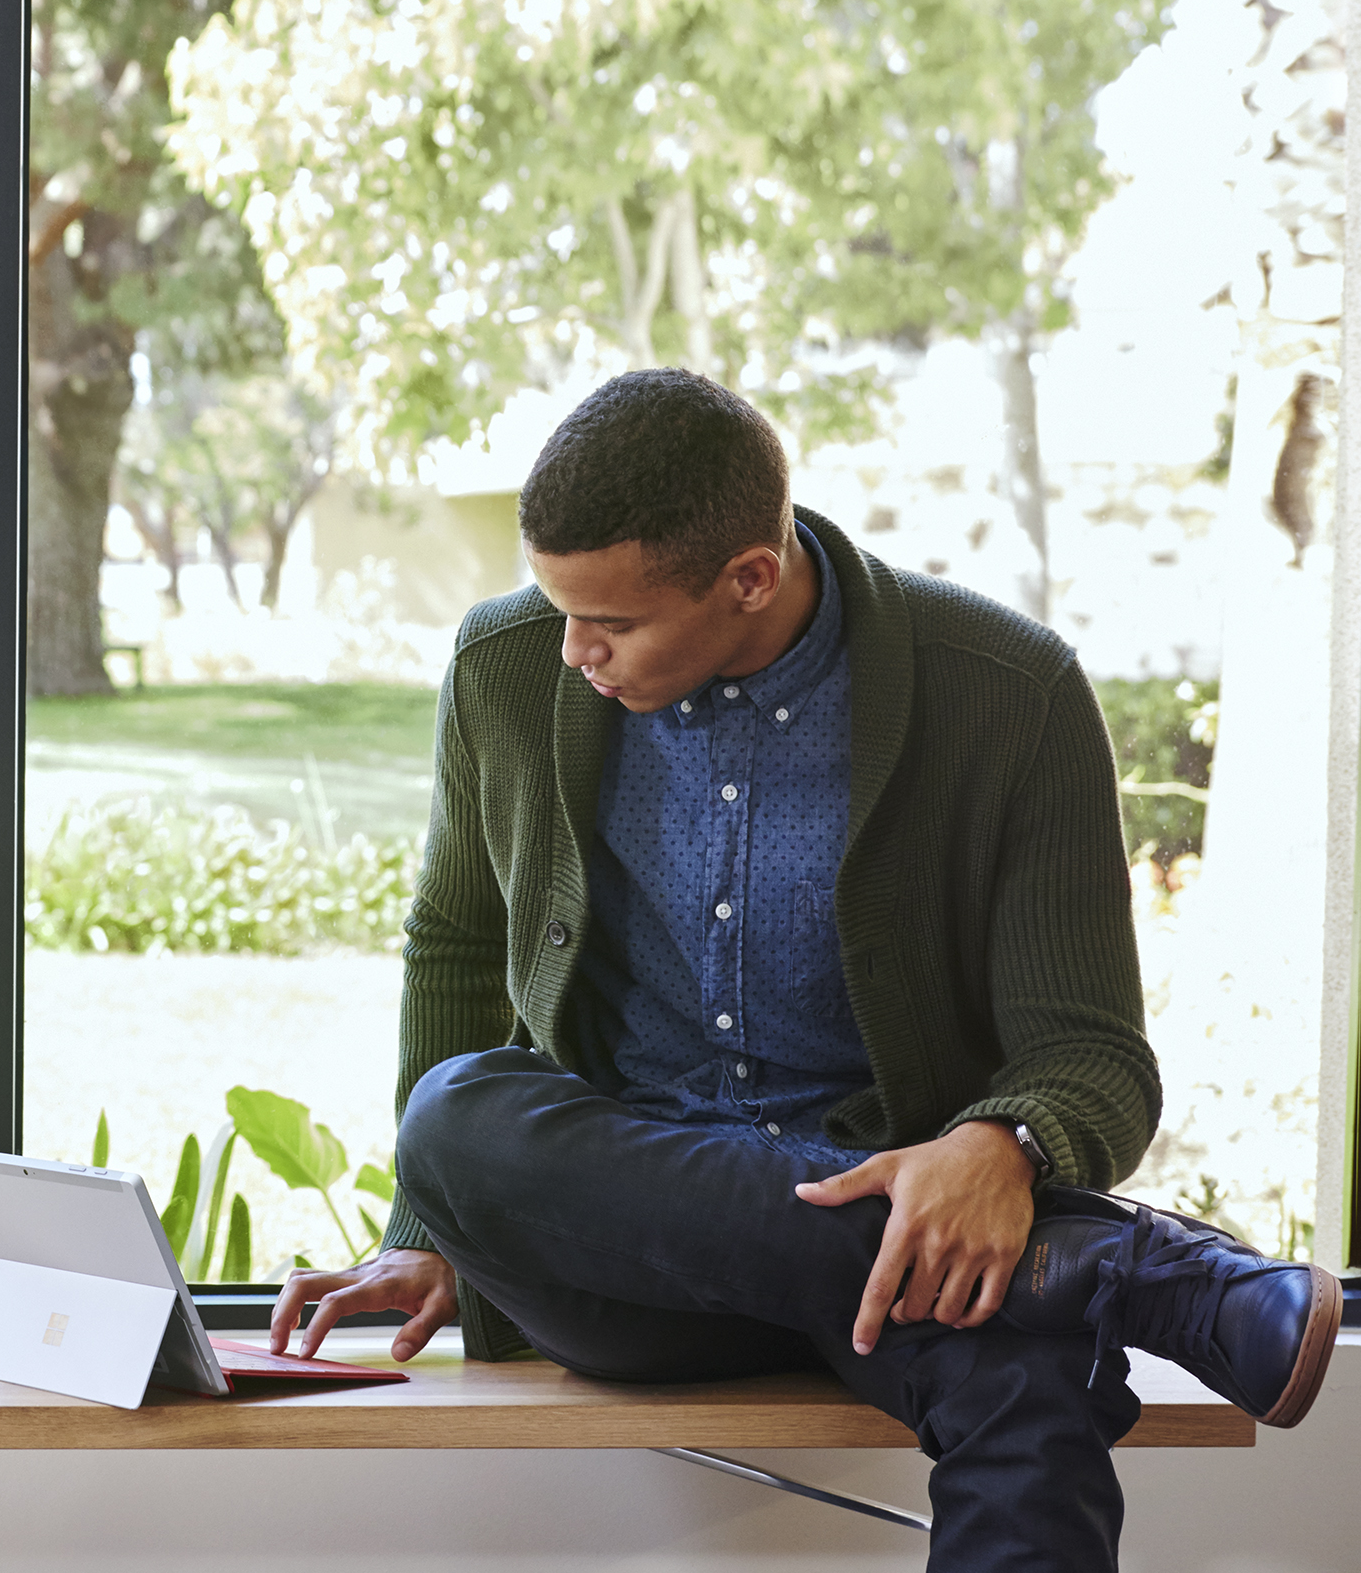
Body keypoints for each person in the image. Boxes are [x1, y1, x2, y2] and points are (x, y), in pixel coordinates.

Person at [270, 370, 1333, 1571]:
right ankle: (1113, 1268)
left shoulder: (1008, 692)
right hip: (634, 1263)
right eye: (556, 606)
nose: (573, 651)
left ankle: (1054, 1274)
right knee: (457, 1117)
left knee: (1022, 1384)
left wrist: (1002, 1146)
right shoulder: (506, 666)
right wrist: (426, 1225)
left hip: (911, 1266)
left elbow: (1090, 1054)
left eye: (611, 623)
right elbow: (455, 946)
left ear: (751, 579)